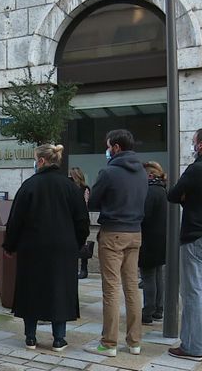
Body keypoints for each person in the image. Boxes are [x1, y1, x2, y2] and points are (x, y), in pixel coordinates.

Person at [3, 144, 90, 352]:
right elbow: (82, 221)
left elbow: (15, 220)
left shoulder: (29, 185)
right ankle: (59, 338)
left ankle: (30, 337)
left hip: (32, 247)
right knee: (59, 289)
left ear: (40, 161)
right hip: (63, 248)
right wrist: (75, 243)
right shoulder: (70, 187)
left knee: (31, 289)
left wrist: (10, 245)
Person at [86, 129, 148, 357]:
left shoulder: (109, 171)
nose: (107, 149)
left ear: (116, 147)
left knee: (111, 289)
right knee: (132, 287)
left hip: (113, 233)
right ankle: (134, 342)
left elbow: (93, 202)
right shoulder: (142, 171)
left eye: (108, 145)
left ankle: (109, 343)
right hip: (135, 233)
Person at [166, 129, 202, 361]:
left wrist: (187, 197)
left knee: (192, 292)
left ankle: (192, 346)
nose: (192, 145)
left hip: (195, 236)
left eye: (193, 142)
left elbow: (172, 195)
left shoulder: (195, 169)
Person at [139, 161, 167, 326]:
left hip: (148, 240)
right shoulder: (163, 190)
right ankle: (158, 309)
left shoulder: (150, 191)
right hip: (161, 239)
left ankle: (148, 311)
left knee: (148, 276)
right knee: (157, 275)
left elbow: (144, 216)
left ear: (149, 175)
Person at [69, 167, 92, 279]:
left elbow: (85, 204)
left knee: (82, 244)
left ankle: (84, 268)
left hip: (82, 219)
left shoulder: (84, 188)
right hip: (71, 219)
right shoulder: (69, 188)